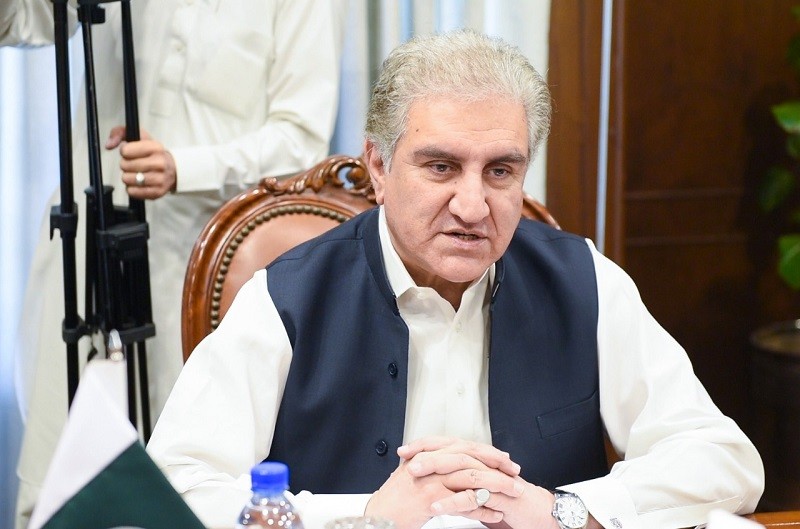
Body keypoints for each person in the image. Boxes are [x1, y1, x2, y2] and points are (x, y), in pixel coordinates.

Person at [146, 29, 764, 529]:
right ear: (379, 167)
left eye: (500, 171)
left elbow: (724, 460)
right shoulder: (286, 299)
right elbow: (173, 493)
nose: (473, 207)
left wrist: (565, 511)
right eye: (441, 166)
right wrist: (363, 516)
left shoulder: (583, 282)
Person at [1, 1, 342, 528]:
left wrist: (186, 166)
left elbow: (301, 139)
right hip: (87, 244)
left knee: (179, 468)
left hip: (203, 269)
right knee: (59, 465)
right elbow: (24, 21)